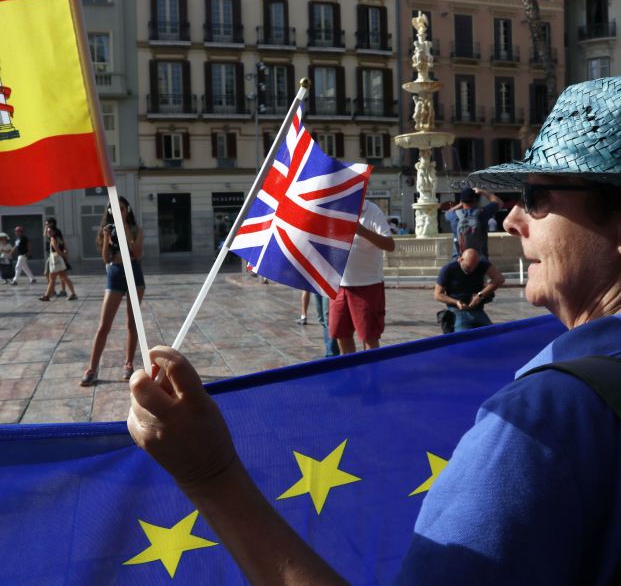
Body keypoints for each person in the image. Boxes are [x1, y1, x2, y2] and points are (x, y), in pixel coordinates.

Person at [127, 77, 621, 585]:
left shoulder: (542, 422)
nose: (513, 218)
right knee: (338, 341)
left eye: (536, 196)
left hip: (369, 288)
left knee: (367, 342)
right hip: (343, 287)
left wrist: (210, 475)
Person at [81, 197, 144, 387]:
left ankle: (129, 363)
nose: (117, 211)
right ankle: (92, 369)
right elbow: (106, 258)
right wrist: (108, 237)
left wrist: (124, 228)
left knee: (132, 323)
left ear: (127, 210)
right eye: (113, 209)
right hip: (115, 274)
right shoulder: (107, 231)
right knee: (103, 326)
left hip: (134, 274)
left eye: (121, 208)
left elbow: (138, 253)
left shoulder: (135, 229)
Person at [329, 200, 395, 354]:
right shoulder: (333, 209)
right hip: (338, 285)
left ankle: (371, 375)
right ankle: (351, 373)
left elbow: (390, 245)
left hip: (367, 285)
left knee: (369, 336)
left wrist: (361, 230)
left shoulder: (371, 211)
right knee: (340, 334)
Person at [434, 248, 505, 332]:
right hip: (457, 310)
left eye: (475, 267)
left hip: (477, 309)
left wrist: (480, 295)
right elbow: (437, 295)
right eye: (468, 267)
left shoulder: (481, 264)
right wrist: (456, 302)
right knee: (464, 337)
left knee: (492, 335)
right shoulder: (448, 269)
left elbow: (499, 278)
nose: (472, 270)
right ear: (461, 260)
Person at [445, 187, 502, 258]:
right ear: (475, 200)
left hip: (460, 259)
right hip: (480, 259)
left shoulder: (454, 215)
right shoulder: (483, 213)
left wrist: (460, 204)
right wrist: (483, 192)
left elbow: (447, 213)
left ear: (462, 201)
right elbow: (499, 202)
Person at [38, 227, 78, 301]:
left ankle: (47, 296)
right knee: (65, 278)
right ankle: (73, 294)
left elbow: (57, 250)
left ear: (54, 232)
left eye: (49, 231)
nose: (48, 233)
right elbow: (65, 248)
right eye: (47, 232)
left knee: (52, 279)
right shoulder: (59, 239)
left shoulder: (53, 239)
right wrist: (65, 257)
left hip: (56, 262)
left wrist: (62, 254)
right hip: (61, 262)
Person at [43, 218, 67, 297]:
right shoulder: (49, 231)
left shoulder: (57, 231)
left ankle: (62, 291)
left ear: (52, 223)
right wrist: (46, 227)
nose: (46, 225)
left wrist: (62, 252)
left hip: (56, 254)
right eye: (46, 224)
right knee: (48, 273)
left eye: (47, 223)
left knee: (61, 275)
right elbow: (45, 234)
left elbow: (61, 242)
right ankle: (52, 290)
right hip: (51, 254)